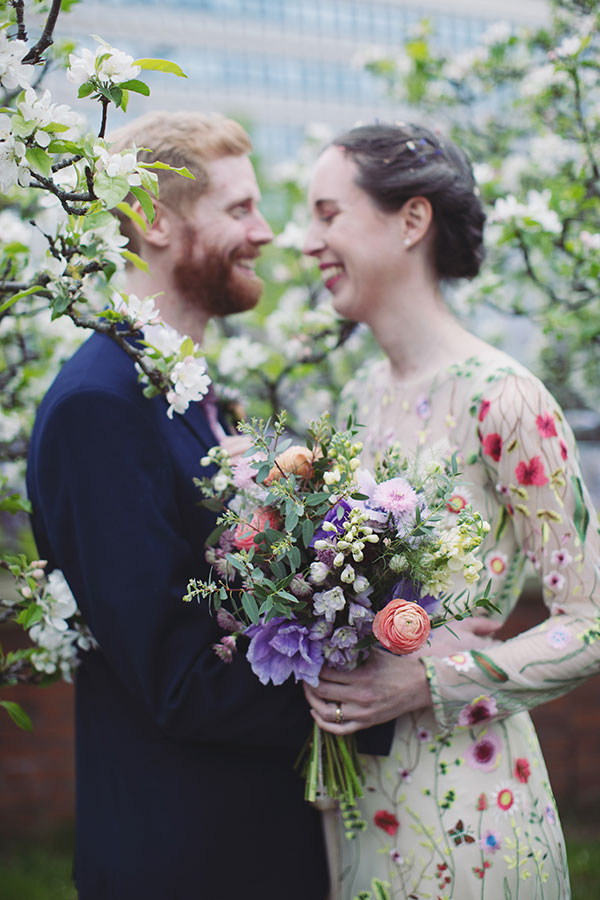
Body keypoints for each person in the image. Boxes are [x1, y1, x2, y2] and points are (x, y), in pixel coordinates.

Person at [26, 111, 330, 900]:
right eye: (239, 209)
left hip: (253, 841)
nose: (265, 232)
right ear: (152, 221)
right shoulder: (101, 404)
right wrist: (357, 689)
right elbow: (175, 678)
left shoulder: (192, 397)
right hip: (187, 859)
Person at [302, 122, 600, 899]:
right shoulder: (354, 400)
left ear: (411, 220)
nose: (309, 242)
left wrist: (436, 679)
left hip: (475, 812)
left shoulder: (505, 399)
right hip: (358, 803)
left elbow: (591, 619)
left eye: (328, 214)